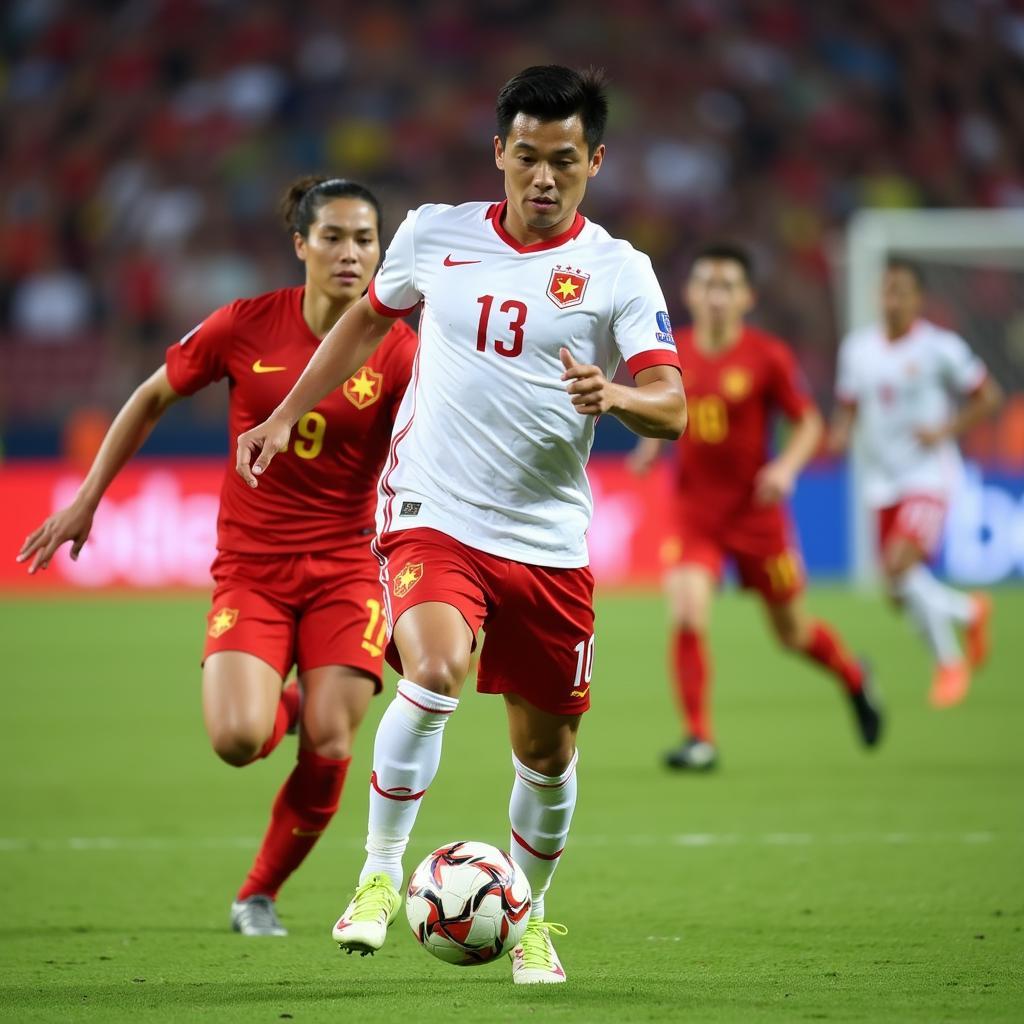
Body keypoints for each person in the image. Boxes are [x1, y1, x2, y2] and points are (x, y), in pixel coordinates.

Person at [235, 65, 686, 984]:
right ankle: (376, 876)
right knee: (435, 669)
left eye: (564, 160)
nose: (543, 178)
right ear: (500, 154)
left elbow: (673, 406)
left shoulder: (617, 270)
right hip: (433, 511)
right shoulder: (431, 235)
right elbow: (365, 325)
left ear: (596, 161)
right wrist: (286, 413)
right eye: (527, 157)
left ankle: (533, 916)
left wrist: (618, 393)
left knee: (548, 755)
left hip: (550, 540)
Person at [17, 177, 418, 936]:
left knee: (333, 742)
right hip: (254, 570)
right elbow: (149, 397)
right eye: (332, 236)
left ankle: (257, 894)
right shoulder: (245, 325)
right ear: (300, 244)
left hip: (346, 569)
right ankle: (293, 702)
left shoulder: (398, 350)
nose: (350, 253)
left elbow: (420, 464)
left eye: (365, 239)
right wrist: (87, 497)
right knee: (239, 741)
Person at [630, 243, 882, 772]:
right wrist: (651, 448)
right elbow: (663, 408)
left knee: (791, 632)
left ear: (747, 298)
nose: (715, 296)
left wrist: (786, 468)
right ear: (691, 294)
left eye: (727, 286)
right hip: (693, 509)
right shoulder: (672, 353)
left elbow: (809, 422)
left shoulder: (768, 356)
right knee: (687, 612)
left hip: (756, 515)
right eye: (706, 285)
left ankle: (854, 678)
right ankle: (699, 738)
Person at [828, 258, 1002, 707]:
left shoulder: (939, 348)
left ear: (918, 299)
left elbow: (988, 396)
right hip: (881, 479)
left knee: (899, 566)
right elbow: (848, 403)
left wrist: (944, 432)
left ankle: (949, 663)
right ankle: (970, 612)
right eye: (886, 291)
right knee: (898, 591)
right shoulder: (857, 350)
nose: (892, 300)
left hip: (927, 475)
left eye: (901, 291)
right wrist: (842, 431)